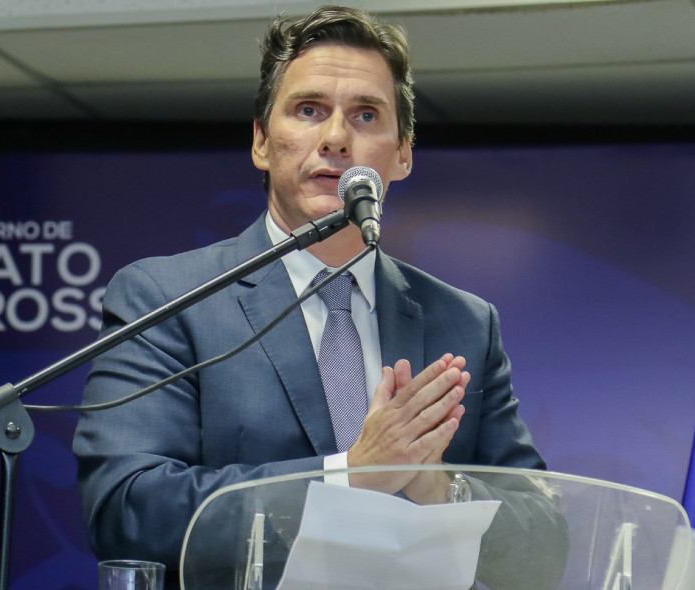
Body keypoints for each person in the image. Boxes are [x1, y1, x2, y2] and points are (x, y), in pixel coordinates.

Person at [73, 5, 566, 589]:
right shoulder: (168, 299)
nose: (335, 138)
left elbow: (544, 546)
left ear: (402, 154)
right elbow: (127, 509)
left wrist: (440, 489)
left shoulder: (463, 322)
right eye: (309, 110)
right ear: (261, 141)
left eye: (366, 115)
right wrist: (350, 477)